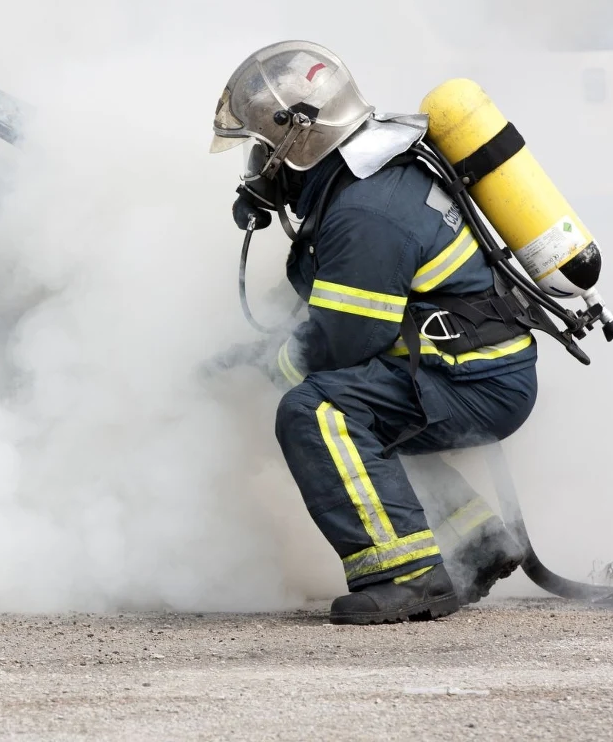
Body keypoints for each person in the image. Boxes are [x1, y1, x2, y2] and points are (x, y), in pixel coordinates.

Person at [210, 41, 535, 625]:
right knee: (361, 404)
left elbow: (344, 345)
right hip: (474, 365)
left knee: (317, 411)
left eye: (261, 148)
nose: (256, 167)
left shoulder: (366, 212)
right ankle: (478, 542)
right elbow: (334, 306)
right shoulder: (367, 172)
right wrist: (247, 356)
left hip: (476, 381)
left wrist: (270, 367)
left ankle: (409, 578)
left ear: (295, 141)